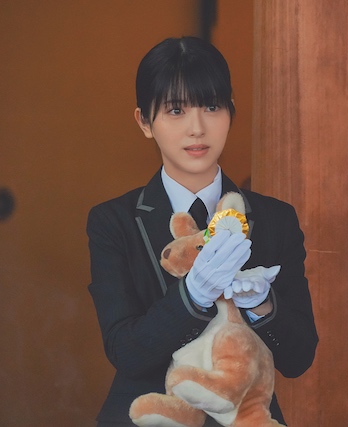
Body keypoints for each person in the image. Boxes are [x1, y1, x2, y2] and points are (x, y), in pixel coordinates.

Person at [87, 36, 318, 427]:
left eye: (212, 107)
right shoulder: (113, 221)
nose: (197, 128)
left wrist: (262, 304)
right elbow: (126, 352)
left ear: (230, 112)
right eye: (176, 110)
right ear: (144, 122)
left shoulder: (275, 218)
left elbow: (299, 358)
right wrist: (193, 295)